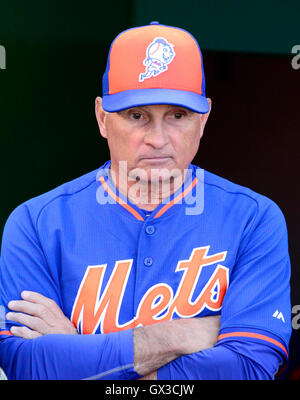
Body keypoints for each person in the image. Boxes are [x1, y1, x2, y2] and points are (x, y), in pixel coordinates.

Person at [0, 22, 291, 380]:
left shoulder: (254, 219)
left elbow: (249, 368)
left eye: (178, 116)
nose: (158, 138)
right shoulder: (34, 224)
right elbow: (26, 367)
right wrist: (181, 335)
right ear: (102, 118)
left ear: (203, 120)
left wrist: (77, 349)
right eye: (137, 115)